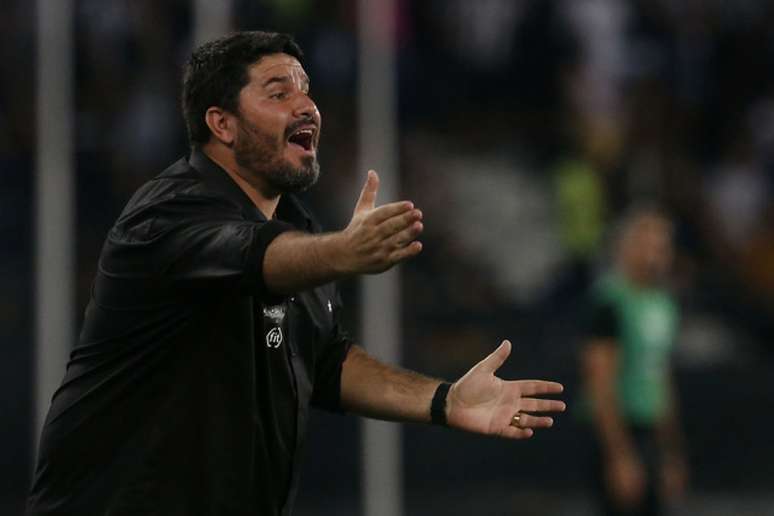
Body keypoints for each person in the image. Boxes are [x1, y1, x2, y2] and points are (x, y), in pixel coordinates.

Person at [27, 31, 565, 516]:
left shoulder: (298, 229)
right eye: (278, 92)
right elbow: (254, 258)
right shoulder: (167, 212)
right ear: (222, 124)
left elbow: (325, 362)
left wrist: (444, 400)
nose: (306, 105)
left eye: (305, 89)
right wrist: (341, 253)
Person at [580, 207, 688, 516]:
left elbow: (662, 376)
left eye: (662, 246)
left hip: (650, 426)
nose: (656, 254)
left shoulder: (664, 302)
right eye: (647, 245)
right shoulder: (609, 302)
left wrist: (671, 452)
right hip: (619, 429)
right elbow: (599, 381)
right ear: (625, 248)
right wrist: (620, 456)